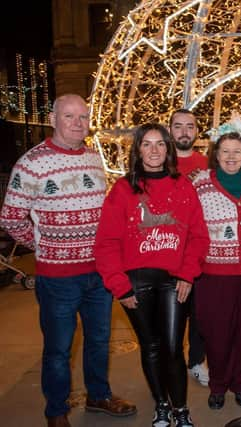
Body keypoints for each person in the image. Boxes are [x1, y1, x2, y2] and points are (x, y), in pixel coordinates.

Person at [0, 94, 137, 427]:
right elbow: (11, 217)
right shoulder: (31, 163)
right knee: (59, 349)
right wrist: (45, 244)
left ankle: (99, 395)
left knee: (99, 341)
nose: (78, 123)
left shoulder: (93, 158)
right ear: (53, 119)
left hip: (98, 273)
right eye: (69, 116)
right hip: (57, 277)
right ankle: (57, 410)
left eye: (83, 117)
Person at [95, 123, 209, 427]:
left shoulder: (183, 186)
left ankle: (181, 408)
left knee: (173, 347)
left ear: (168, 149)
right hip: (136, 281)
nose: (154, 150)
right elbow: (106, 242)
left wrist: (187, 275)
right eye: (147, 144)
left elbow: (198, 236)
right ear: (138, 150)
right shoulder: (122, 189)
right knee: (151, 346)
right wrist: (120, 285)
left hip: (174, 279)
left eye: (160, 144)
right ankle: (161, 404)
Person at [191, 117, 241, 410]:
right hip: (214, 276)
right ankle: (218, 385)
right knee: (217, 333)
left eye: (237, 151)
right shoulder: (200, 184)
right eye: (225, 151)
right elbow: (189, 228)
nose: (231, 157)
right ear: (216, 154)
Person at [169, 109, 209, 387]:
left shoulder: (207, 163)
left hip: (199, 250)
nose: (184, 131)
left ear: (196, 131)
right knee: (171, 317)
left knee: (200, 314)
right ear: (170, 130)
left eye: (190, 126)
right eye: (178, 126)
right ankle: (170, 366)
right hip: (168, 253)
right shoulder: (159, 160)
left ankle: (196, 361)